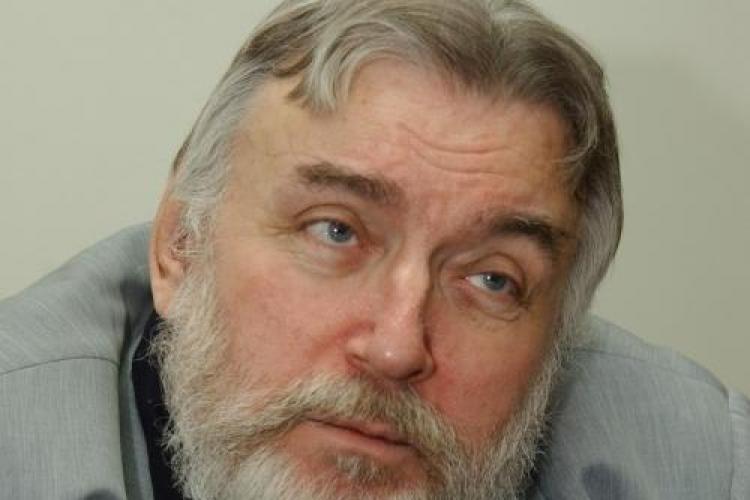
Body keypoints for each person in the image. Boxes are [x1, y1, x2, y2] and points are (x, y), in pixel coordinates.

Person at [0, 0, 747, 499]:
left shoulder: (708, 468)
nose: (396, 348)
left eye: (492, 279)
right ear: (178, 246)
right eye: (336, 231)